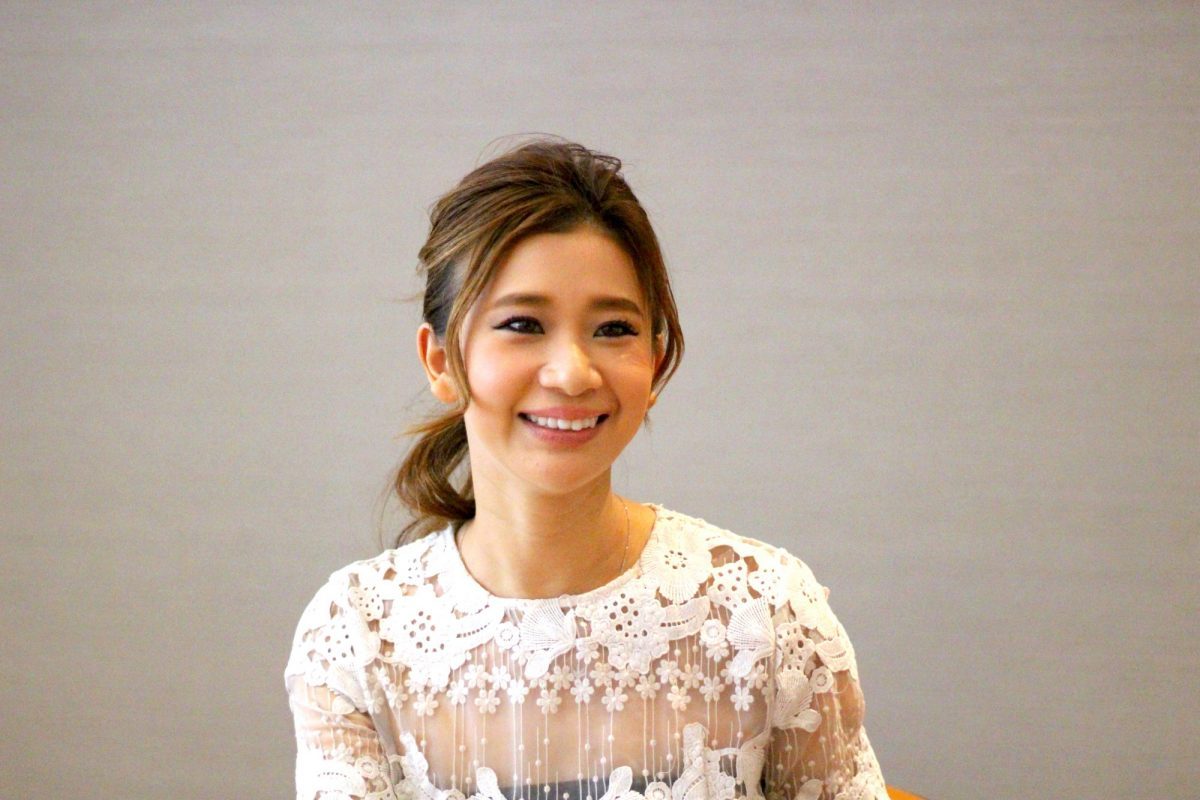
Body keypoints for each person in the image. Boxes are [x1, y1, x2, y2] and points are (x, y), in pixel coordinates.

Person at [285, 140, 888, 800]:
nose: (573, 373)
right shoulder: (356, 634)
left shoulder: (764, 613)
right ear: (440, 362)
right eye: (523, 324)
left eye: (612, 329)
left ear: (655, 362)